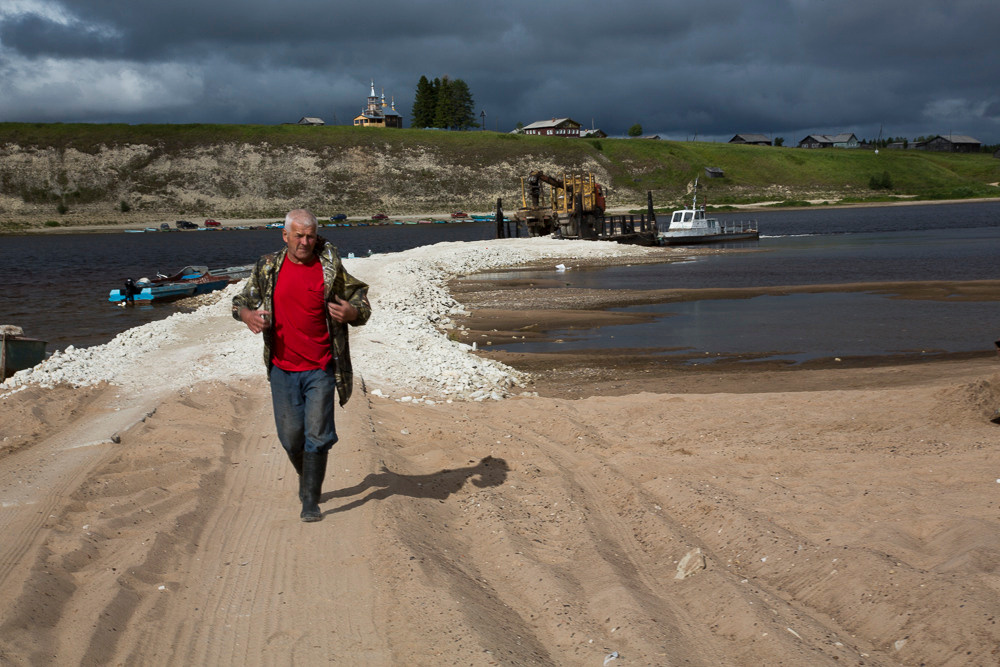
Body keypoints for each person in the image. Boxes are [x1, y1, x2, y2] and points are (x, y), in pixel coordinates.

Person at [233, 209, 371, 521]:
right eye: (298, 236)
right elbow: (240, 303)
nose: (305, 242)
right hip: (282, 368)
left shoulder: (329, 268)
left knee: (318, 434)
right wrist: (248, 316)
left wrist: (352, 313)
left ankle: (310, 499)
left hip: (321, 366)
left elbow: (361, 300)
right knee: (291, 437)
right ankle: (306, 475)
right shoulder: (268, 267)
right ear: (285, 236)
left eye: (310, 236)